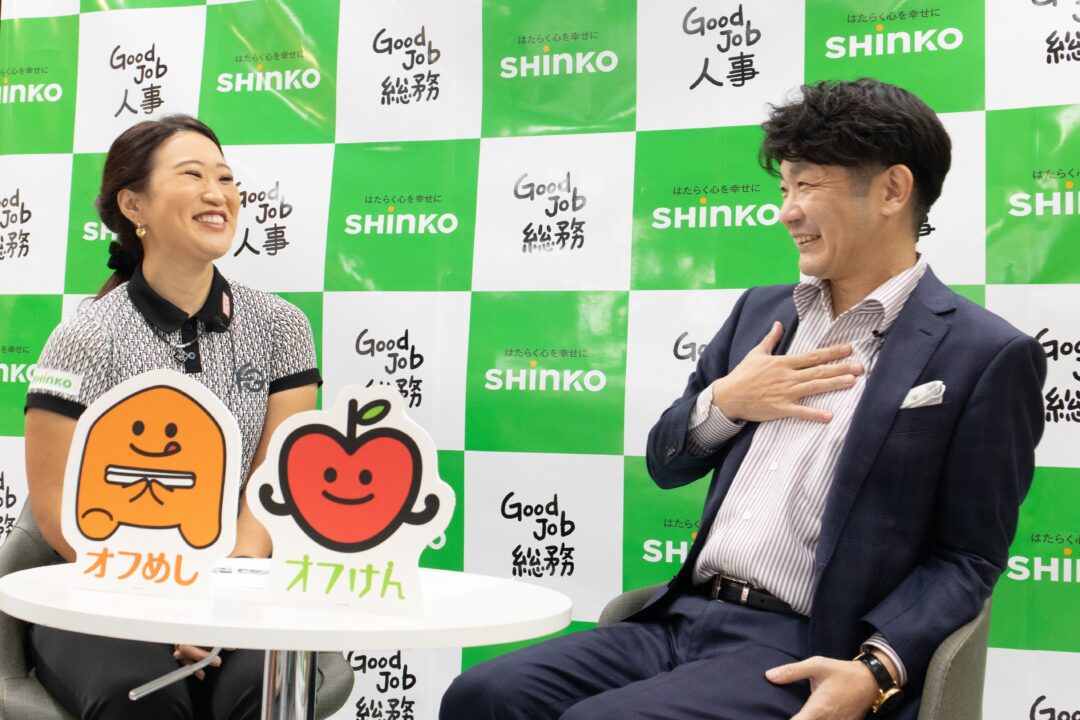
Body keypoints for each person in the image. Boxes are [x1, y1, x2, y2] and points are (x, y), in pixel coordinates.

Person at [440, 78, 1046, 720]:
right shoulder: (762, 313)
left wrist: (875, 669)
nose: (787, 211)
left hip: (808, 643)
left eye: (807, 185)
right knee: (482, 695)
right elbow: (666, 462)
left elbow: (967, 557)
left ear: (893, 190)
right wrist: (727, 402)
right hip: (680, 618)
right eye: (784, 188)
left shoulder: (983, 353)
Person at [23, 114, 322, 720]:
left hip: (239, 579)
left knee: (265, 686)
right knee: (144, 694)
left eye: (226, 178)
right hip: (102, 585)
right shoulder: (84, 336)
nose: (218, 193)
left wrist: (222, 598)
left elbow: (271, 489)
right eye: (193, 175)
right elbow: (56, 508)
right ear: (134, 205)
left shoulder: (282, 328)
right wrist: (161, 606)